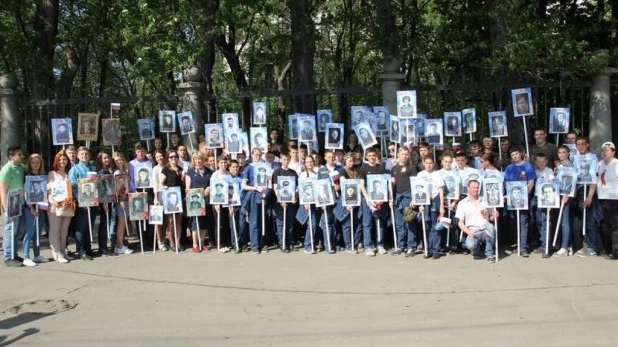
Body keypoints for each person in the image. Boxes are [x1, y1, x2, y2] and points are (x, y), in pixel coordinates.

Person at [504, 145, 536, 257]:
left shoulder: (528, 166)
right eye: (512, 155)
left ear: (520, 154)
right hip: (512, 199)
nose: (515, 156)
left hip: (524, 198)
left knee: (523, 221)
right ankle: (518, 243)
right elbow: (506, 183)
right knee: (514, 221)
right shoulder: (509, 168)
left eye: (516, 154)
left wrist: (524, 194)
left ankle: (523, 247)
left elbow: (531, 182)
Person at [572, 136, 601, 257]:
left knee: (589, 220)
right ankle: (585, 244)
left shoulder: (593, 158)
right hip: (578, 190)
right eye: (578, 144)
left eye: (583, 144)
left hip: (588, 189)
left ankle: (592, 247)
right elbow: (573, 175)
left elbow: (594, 178)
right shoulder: (575, 158)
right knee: (581, 219)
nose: (580, 146)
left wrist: (589, 196)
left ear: (587, 144)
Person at [457, 180, 499, 262]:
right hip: (473, 232)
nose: (476, 189)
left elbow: (491, 218)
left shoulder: (485, 200)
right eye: (473, 187)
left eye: (477, 187)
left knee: (491, 227)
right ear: (468, 188)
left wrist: (495, 216)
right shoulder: (462, 203)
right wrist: (468, 232)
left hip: (485, 231)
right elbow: (460, 222)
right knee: (470, 245)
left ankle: (489, 254)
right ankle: (475, 250)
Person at [20, 154, 49, 266]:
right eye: (33, 163)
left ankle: (37, 255)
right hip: (30, 208)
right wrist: (31, 208)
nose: (36, 165)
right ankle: (26, 257)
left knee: (38, 232)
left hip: (41, 206)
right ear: (29, 164)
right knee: (30, 231)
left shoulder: (43, 176)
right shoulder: (27, 176)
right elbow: (26, 193)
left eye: (38, 162)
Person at [389, 147, 419, 257]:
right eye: (402, 154)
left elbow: (415, 184)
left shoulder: (411, 168)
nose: (404, 156)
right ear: (398, 155)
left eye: (407, 154)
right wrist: (390, 198)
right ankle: (400, 245)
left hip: (407, 198)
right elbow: (392, 184)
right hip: (397, 198)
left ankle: (411, 246)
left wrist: (413, 199)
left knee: (409, 222)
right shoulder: (394, 169)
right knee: (399, 224)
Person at [359, 148, 388, 256]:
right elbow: (362, 185)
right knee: (367, 223)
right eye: (369, 155)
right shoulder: (363, 169)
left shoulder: (381, 168)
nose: (371, 157)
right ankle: (368, 246)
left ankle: (380, 245)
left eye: (373, 155)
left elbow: (384, 185)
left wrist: (381, 199)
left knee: (379, 223)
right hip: (367, 200)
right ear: (366, 157)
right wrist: (367, 198)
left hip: (379, 200)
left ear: (376, 156)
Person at [47, 151, 73, 263]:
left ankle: (62, 251)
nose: (62, 161)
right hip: (55, 206)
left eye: (64, 159)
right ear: (56, 161)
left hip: (67, 205)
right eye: (60, 159)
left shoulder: (67, 174)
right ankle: (56, 253)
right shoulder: (52, 174)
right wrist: (53, 202)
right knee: (55, 230)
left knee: (64, 231)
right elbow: (48, 191)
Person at [416, 156, 446, 259]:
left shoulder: (437, 174)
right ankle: (427, 249)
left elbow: (441, 190)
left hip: (434, 201)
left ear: (433, 164)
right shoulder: (420, 175)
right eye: (427, 163)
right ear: (423, 163)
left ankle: (436, 250)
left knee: (435, 227)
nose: (429, 165)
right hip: (424, 202)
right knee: (426, 227)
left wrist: (441, 206)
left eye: (430, 163)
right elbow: (417, 190)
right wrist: (420, 205)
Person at [157, 150, 186, 252]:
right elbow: (160, 183)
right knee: (170, 221)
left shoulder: (181, 169)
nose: (173, 158)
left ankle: (178, 242)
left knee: (178, 221)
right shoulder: (165, 170)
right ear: (168, 158)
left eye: (175, 156)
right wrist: (164, 187)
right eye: (171, 157)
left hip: (179, 197)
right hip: (169, 197)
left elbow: (183, 183)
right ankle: (171, 243)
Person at [185, 151, 213, 253]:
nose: (198, 161)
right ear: (193, 160)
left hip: (207, 200)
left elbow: (213, 184)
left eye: (200, 158)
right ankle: (195, 244)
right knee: (195, 224)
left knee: (204, 223)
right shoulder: (190, 172)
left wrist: (209, 189)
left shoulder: (209, 171)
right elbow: (187, 188)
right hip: (195, 201)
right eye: (196, 159)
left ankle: (201, 243)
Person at [598, 142, 618, 260]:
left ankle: (615, 252)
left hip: (615, 199)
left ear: (613, 152)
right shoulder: (600, 164)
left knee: (615, 226)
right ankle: (607, 248)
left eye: (607, 150)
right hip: (602, 198)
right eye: (603, 150)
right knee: (604, 225)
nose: (604, 152)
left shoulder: (616, 164)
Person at [111, 153, 134, 255]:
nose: (119, 162)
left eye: (120, 159)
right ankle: (120, 246)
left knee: (123, 223)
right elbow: (118, 188)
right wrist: (121, 201)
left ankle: (119, 245)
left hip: (126, 199)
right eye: (116, 160)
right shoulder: (117, 172)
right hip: (122, 200)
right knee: (121, 223)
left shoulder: (123, 171)